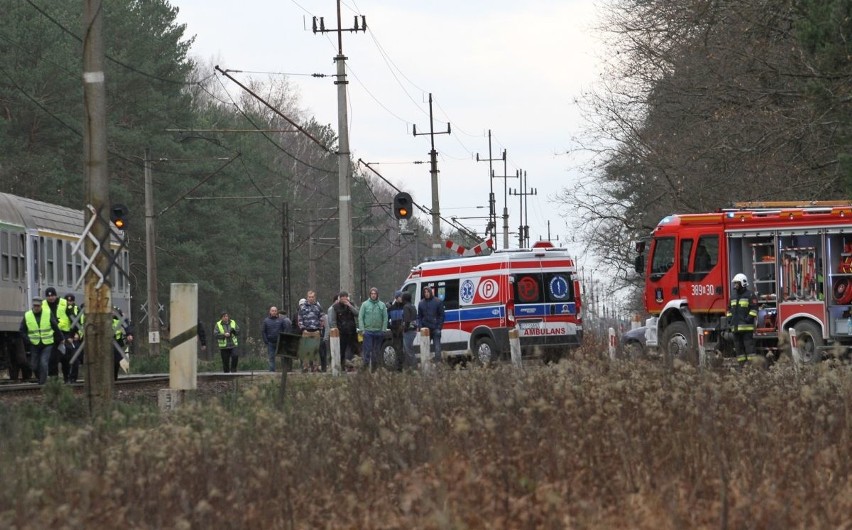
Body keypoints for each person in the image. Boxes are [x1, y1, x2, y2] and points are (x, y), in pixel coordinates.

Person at [20, 296, 63, 385]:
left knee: (44, 363)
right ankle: (40, 378)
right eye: (35, 306)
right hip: (34, 344)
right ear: (33, 305)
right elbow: (22, 330)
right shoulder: (27, 315)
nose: (36, 307)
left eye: (38, 306)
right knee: (34, 366)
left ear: (41, 306)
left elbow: (55, 326)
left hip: (47, 344)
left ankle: (42, 384)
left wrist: (61, 338)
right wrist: (28, 340)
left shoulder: (47, 313)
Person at [727, 273, 758, 366]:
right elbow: (729, 309)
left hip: (746, 329)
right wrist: (729, 319)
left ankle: (753, 368)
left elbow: (754, 309)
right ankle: (742, 369)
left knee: (750, 350)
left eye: (737, 283)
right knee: (739, 351)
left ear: (743, 283)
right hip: (735, 329)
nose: (735, 285)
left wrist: (748, 319)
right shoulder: (732, 296)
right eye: (735, 283)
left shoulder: (750, 295)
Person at [358, 287, 388, 371]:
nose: (373, 295)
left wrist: (383, 330)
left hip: (378, 332)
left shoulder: (382, 305)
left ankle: (374, 368)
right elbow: (360, 317)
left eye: (375, 294)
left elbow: (385, 318)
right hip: (368, 332)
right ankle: (365, 367)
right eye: (372, 294)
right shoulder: (365, 304)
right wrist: (362, 330)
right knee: (367, 350)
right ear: (370, 294)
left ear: (377, 294)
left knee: (376, 351)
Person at [329, 291, 359, 369]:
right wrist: (336, 329)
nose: (344, 299)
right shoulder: (335, 307)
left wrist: (349, 306)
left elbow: (357, 313)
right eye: (342, 298)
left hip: (352, 331)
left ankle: (351, 366)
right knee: (342, 350)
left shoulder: (351, 305)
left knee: (352, 350)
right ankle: (342, 366)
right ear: (340, 298)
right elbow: (333, 321)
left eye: (345, 297)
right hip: (342, 332)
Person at [43, 287, 69, 378]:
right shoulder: (43, 305)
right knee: (52, 358)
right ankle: (54, 378)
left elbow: (71, 316)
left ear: (56, 295)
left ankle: (67, 377)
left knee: (65, 357)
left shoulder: (64, 303)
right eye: (48, 296)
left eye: (52, 295)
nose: (51, 298)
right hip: (51, 334)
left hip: (64, 333)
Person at [418, 286, 445, 363]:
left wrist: (439, 327)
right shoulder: (421, 303)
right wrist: (420, 326)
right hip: (425, 329)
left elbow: (441, 315)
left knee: (437, 348)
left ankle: (438, 364)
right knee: (425, 348)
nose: (426, 294)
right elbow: (419, 316)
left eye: (427, 292)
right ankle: (426, 364)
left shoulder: (438, 301)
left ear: (430, 292)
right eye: (425, 292)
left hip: (435, 328)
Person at [298, 291, 323, 371]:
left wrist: (320, 329)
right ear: (307, 297)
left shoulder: (318, 307)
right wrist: (303, 329)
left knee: (316, 350)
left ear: (314, 297)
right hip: (306, 331)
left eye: (312, 297)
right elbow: (300, 319)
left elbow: (322, 319)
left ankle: (316, 367)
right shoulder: (302, 307)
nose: (311, 298)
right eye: (309, 297)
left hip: (316, 331)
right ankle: (305, 367)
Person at [261, 306, 291, 372]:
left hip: (280, 342)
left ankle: (284, 371)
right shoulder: (266, 321)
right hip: (270, 342)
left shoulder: (281, 320)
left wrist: (284, 339)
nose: (274, 312)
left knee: (283, 357)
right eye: (272, 311)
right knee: (271, 357)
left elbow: (285, 329)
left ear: (277, 312)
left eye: (275, 311)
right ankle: (272, 371)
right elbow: (263, 331)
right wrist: (266, 341)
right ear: (270, 311)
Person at [64, 294, 82, 383]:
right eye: (67, 301)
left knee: (75, 358)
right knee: (66, 358)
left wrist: (77, 334)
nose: (69, 303)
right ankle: (66, 377)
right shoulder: (62, 309)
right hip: (65, 336)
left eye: (70, 301)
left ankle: (73, 378)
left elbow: (79, 323)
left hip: (74, 336)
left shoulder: (77, 309)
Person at [387, 290, 406, 370]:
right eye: (400, 297)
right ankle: (398, 367)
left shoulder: (405, 306)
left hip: (404, 331)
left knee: (404, 348)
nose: (401, 298)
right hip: (395, 332)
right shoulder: (391, 308)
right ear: (396, 298)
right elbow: (386, 320)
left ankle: (404, 365)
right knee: (397, 349)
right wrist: (391, 327)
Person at [401, 291, 418, 368]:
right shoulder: (413, 306)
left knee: (408, 350)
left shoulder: (406, 307)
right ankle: (410, 366)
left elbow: (407, 320)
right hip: (414, 330)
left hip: (409, 331)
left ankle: (414, 367)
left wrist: (404, 329)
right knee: (409, 349)